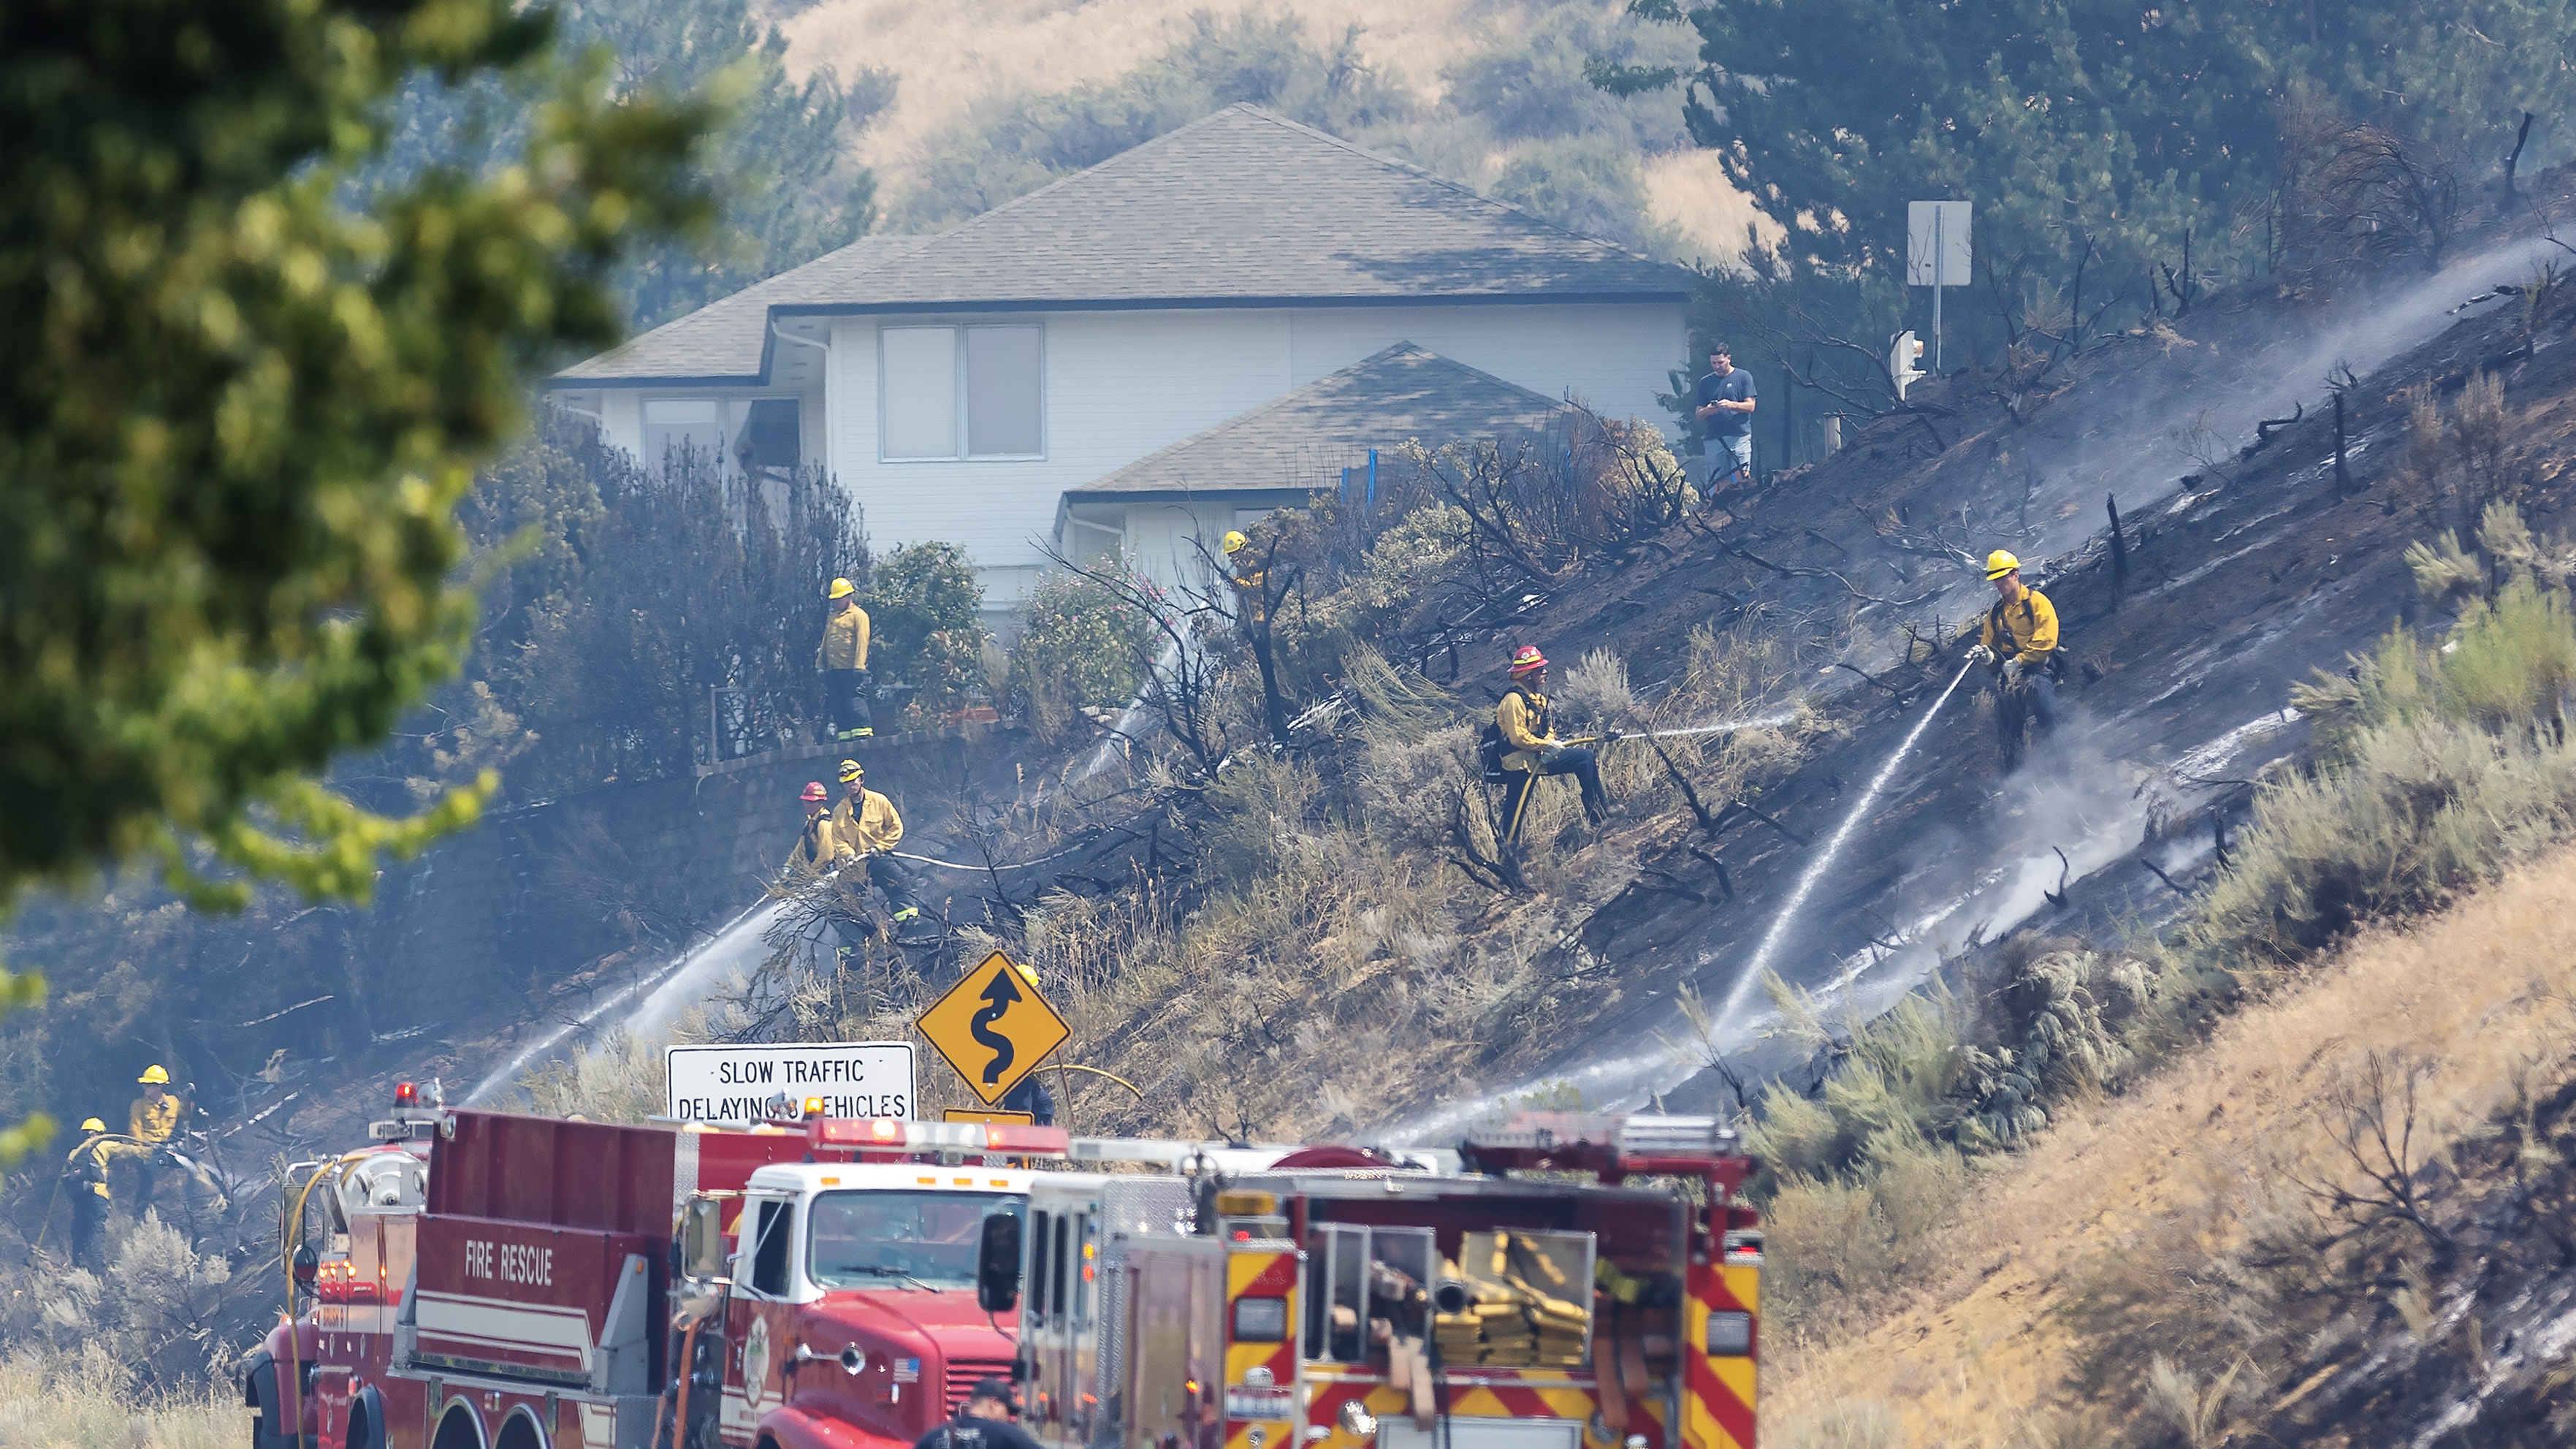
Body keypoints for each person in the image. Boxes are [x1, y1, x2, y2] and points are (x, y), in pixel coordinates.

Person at [1494, 646, 1610, 845]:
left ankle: (1599, 814)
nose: (1545, 672)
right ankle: (1508, 852)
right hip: (1520, 764)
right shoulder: (1513, 700)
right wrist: (1546, 747)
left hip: (1541, 757)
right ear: (1528, 675)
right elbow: (1518, 738)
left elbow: (1546, 727)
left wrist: (1550, 743)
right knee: (1514, 812)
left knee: (1585, 758)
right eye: (1540, 669)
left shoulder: (1537, 698)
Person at [1969, 549, 2062, 764]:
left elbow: (2047, 640)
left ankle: (2064, 767)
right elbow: (1991, 649)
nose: (1999, 584)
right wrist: (1987, 657)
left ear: (2016, 575)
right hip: (2009, 676)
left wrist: (2020, 661)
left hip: (2036, 669)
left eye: (2003, 578)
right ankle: (2014, 773)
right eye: (1996, 580)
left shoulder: (2036, 602)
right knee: (2008, 729)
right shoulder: (1995, 615)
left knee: (2048, 715)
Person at [831, 759, 931, 940]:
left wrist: (881, 846)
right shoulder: (840, 811)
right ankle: (853, 944)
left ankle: (910, 926)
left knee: (898, 883)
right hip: (855, 865)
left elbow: (896, 827)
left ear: (862, 780)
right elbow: (838, 839)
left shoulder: (879, 801)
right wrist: (849, 854)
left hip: (878, 858)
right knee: (845, 902)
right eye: (846, 783)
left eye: (853, 781)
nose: (851, 785)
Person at [1691, 343, 1758, 497]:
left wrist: (1731, 405)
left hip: (1739, 436)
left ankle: (1743, 505)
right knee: (1719, 480)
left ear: (1729, 358)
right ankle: (1721, 508)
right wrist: (1709, 410)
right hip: (1715, 438)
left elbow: (1751, 406)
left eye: (1720, 362)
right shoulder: (1706, 382)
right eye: (1713, 363)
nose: (1717, 366)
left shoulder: (1743, 377)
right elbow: (1699, 414)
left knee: (1742, 477)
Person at [818, 577, 873, 741]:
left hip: (851, 670)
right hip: (834, 670)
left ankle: (863, 734)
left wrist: (859, 666)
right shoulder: (833, 618)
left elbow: (862, 641)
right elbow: (826, 642)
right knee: (838, 705)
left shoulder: (859, 616)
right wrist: (820, 664)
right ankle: (845, 736)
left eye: (839, 599)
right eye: (834, 599)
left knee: (854, 702)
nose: (836, 602)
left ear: (848, 596)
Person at [915, 1378, 1043, 1449]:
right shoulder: (1007, 1434)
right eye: (1008, 1410)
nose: (1008, 1417)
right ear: (994, 1403)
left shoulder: (934, 1435)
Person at [62, 1117, 115, 1272]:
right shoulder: (104, 1146)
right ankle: (98, 1270)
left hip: (80, 1196)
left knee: (79, 1229)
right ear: (99, 1133)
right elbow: (128, 1150)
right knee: (97, 1230)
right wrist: (151, 1151)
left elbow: (66, 1175)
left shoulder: (74, 1153)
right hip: (97, 1196)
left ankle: (78, 1266)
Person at [792, 782, 845, 873]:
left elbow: (827, 856)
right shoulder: (810, 823)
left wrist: (811, 872)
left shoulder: (824, 824)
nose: (807, 805)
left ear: (821, 802)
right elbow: (800, 849)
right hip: (817, 870)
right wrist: (789, 865)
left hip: (828, 872)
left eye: (811, 802)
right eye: (806, 802)